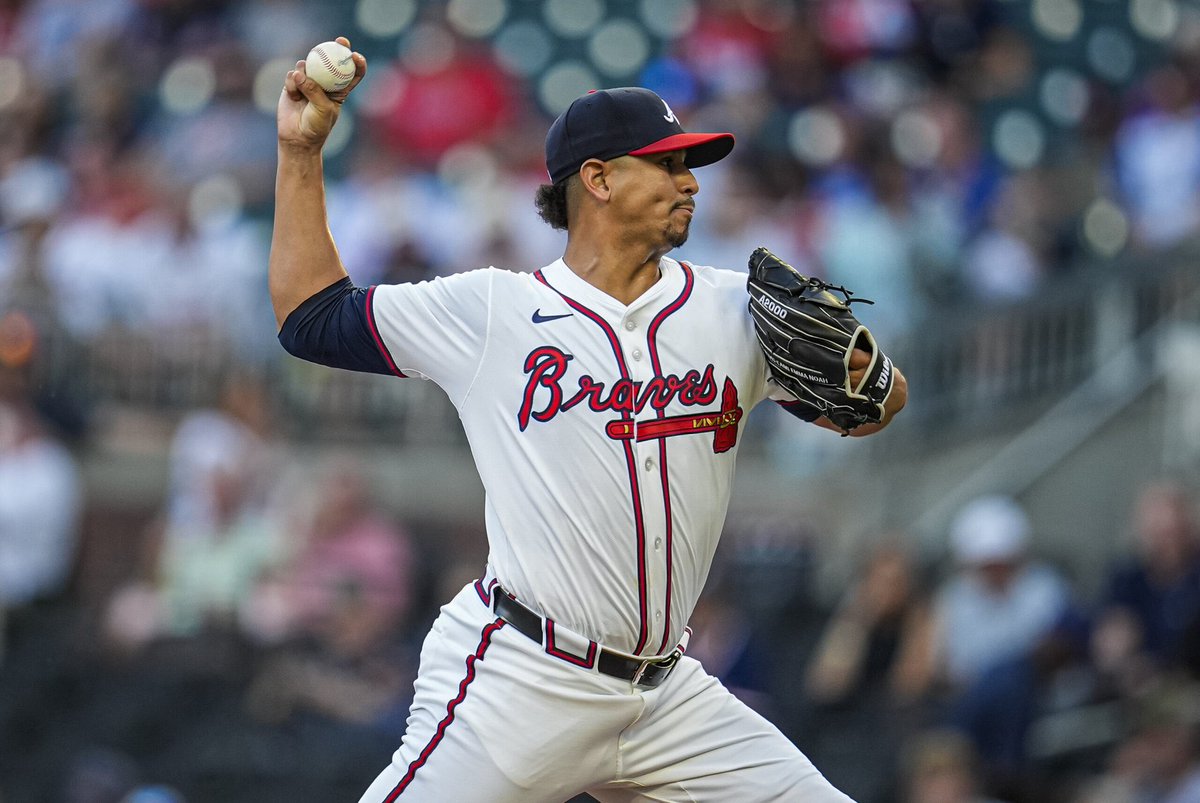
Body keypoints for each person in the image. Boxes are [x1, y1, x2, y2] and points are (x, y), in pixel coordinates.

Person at [269, 37, 907, 802]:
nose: (690, 184)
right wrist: (299, 152)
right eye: (667, 164)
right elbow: (309, 317)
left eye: (691, 166)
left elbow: (874, 411)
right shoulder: (494, 310)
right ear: (597, 179)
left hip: (668, 696)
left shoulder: (733, 306)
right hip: (527, 677)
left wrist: (868, 370)